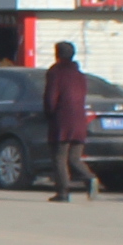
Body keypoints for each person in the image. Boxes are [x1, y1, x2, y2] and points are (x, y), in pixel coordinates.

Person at [43, 39, 95, 202]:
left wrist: (48, 113)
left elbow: (51, 98)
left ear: (57, 54)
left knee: (59, 157)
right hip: (79, 120)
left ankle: (63, 191)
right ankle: (90, 178)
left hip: (62, 119)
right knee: (74, 158)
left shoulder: (55, 72)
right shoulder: (80, 75)